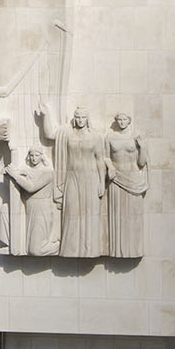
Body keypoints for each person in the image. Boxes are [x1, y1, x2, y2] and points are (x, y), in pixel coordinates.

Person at [40, 105, 109, 258]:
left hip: (90, 179)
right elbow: (49, 134)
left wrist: (102, 182)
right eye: (77, 116)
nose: (79, 120)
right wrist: (45, 115)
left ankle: (89, 249)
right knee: (71, 212)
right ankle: (70, 249)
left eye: (82, 117)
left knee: (89, 213)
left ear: (87, 119)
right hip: (72, 178)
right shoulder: (66, 134)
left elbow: (99, 160)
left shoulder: (95, 137)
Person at [104, 111, 148, 257]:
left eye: (124, 120)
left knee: (133, 216)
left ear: (129, 121)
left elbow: (141, 162)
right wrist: (110, 167)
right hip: (116, 179)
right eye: (119, 119)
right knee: (117, 215)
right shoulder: (109, 137)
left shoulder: (136, 137)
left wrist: (143, 148)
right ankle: (118, 250)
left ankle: (134, 250)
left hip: (134, 179)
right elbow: (105, 157)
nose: (122, 122)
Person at [1, 147, 59, 256]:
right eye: (31, 155)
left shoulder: (48, 173)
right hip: (31, 209)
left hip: (42, 211)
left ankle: (58, 246)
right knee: (29, 248)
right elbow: (18, 173)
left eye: (37, 155)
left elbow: (31, 187)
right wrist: (8, 171)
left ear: (42, 156)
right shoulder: (28, 171)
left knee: (35, 250)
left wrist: (15, 175)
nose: (33, 158)